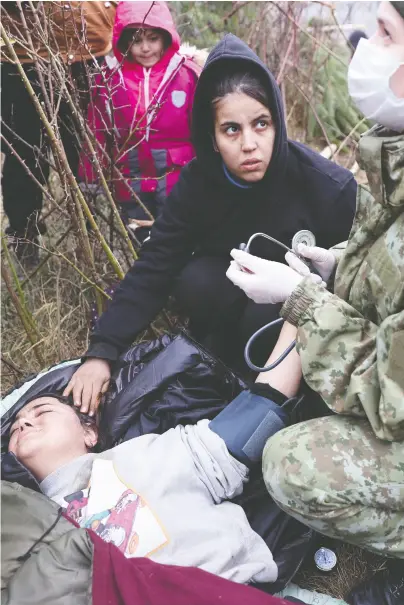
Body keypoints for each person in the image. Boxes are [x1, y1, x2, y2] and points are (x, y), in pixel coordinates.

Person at [226, 2, 404, 605]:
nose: (362, 44)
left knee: (292, 465)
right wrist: (339, 263)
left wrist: (299, 301)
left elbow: (393, 400)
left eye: (386, 33)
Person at [65, 33, 357, 414]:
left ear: (278, 123)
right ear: (212, 136)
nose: (249, 144)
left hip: (299, 322)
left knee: (263, 314)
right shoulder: (198, 182)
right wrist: (103, 351)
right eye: (231, 129)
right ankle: (216, 362)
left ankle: (279, 401)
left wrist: (320, 279)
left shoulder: (328, 187)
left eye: (261, 124)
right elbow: (156, 263)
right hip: (225, 299)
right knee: (195, 280)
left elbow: (357, 285)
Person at [6, 323, 347, 605]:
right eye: (16, 424)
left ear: (90, 432)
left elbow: (255, 416)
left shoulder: (142, 455)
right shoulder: (20, 524)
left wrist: (299, 313)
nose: (23, 423)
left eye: (42, 412)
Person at [1, 1, 117, 267]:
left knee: (87, 155)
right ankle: (24, 241)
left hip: (89, 47)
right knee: (25, 156)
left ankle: (94, 243)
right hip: (21, 53)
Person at [78, 0, 201, 244]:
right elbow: (98, 131)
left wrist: (211, 172)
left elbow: (204, 129)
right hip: (131, 181)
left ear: (167, 37)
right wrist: (91, 176)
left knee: (178, 240)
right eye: (136, 40)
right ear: (124, 41)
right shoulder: (111, 80)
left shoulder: (186, 74)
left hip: (179, 180)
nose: (145, 48)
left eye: (153, 38)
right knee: (141, 243)